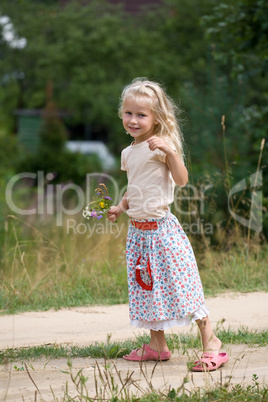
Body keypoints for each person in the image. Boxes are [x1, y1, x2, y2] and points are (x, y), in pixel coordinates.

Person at [108, 78, 228, 371]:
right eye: (128, 113)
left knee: (181, 284)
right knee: (146, 289)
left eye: (141, 114)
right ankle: (157, 346)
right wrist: (121, 207)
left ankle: (211, 341)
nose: (133, 120)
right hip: (138, 233)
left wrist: (171, 152)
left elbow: (182, 179)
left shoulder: (161, 146)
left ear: (156, 118)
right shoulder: (128, 152)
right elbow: (135, 187)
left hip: (162, 231)